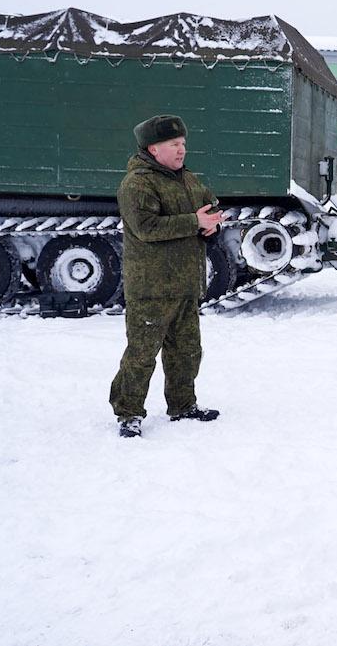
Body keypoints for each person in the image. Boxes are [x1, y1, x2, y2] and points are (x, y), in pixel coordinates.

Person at [110, 114, 227, 438]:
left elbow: (209, 211)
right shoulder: (137, 183)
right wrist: (194, 221)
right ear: (153, 148)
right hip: (152, 287)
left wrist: (212, 225)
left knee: (186, 351)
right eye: (174, 144)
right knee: (142, 354)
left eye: (183, 143)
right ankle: (128, 413)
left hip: (186, 283)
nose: (181, 149)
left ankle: (183, 405)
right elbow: (145, 228)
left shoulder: (188, 180)